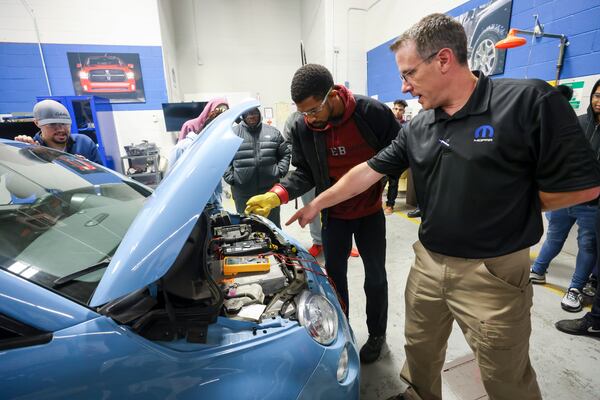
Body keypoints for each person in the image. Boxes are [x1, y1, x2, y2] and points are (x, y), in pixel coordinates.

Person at [285, 14, 600, 400]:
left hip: (492, 272)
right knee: (420, 349)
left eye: (409, 73)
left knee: (504, 372)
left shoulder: (527, 101)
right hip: (429, 263)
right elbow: (365, 172)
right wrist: (315, 203)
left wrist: (511, 205)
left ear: (444, 60)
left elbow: (584, 186)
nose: (403, 85)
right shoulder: (421, 126)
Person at [245, 64, 400, 363]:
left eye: (314, 109)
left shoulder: (371, 113)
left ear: (332, 95)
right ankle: (342, 333)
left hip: (370, 213)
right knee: (334, 278)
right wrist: (275, 195)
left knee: (376, 278)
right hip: (334, 216)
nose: (309, 117)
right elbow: (304, 173)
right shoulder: (304, 127)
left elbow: (400, 150)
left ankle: (377, 334)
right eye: (303, 112)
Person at [529, 82, 600, 312]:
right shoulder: (577, 122)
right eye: (597, 95)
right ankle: (538, 270)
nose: (599, 101)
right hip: (565, 196)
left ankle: (576, 288)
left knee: (587, 245)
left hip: (593, 202)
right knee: (553, 237)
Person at [224, 107, 290, 228]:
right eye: (247, 113)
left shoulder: (273, 132)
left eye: (254, 112)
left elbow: (285, 153)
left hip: (269, 192)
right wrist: (232, 178)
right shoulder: (232, 134)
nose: (251, 116)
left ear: (259, 114)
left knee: (273, 226)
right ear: (242, 116)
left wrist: (280, 171)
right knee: (246, 226)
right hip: (243, 191)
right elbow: (223, 157)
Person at [167, 103, 229, 210]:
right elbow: (169, 185)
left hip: (210, 208)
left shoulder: (212, 150)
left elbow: (216, 187)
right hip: (187, 208)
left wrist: (218, 208)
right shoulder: (182, 148)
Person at [14, 99, 103, 165]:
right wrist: (23, 154)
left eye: (65, 124)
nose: (60, 129)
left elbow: (103, 175)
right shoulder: (31, 149)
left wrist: (88, 167)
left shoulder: (84, 143)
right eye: (52, 124)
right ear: (37, 123)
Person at [384, 100, 408, 215]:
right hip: (383, 155)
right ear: (392, 109)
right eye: (396, 109)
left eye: (400, 109)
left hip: (396, 158)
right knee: (379, 181)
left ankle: (390, 205)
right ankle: (375, 203)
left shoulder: (406, 126)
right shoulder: (386, 123)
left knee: (393, 182)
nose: (397, 111)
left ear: (404, 111)